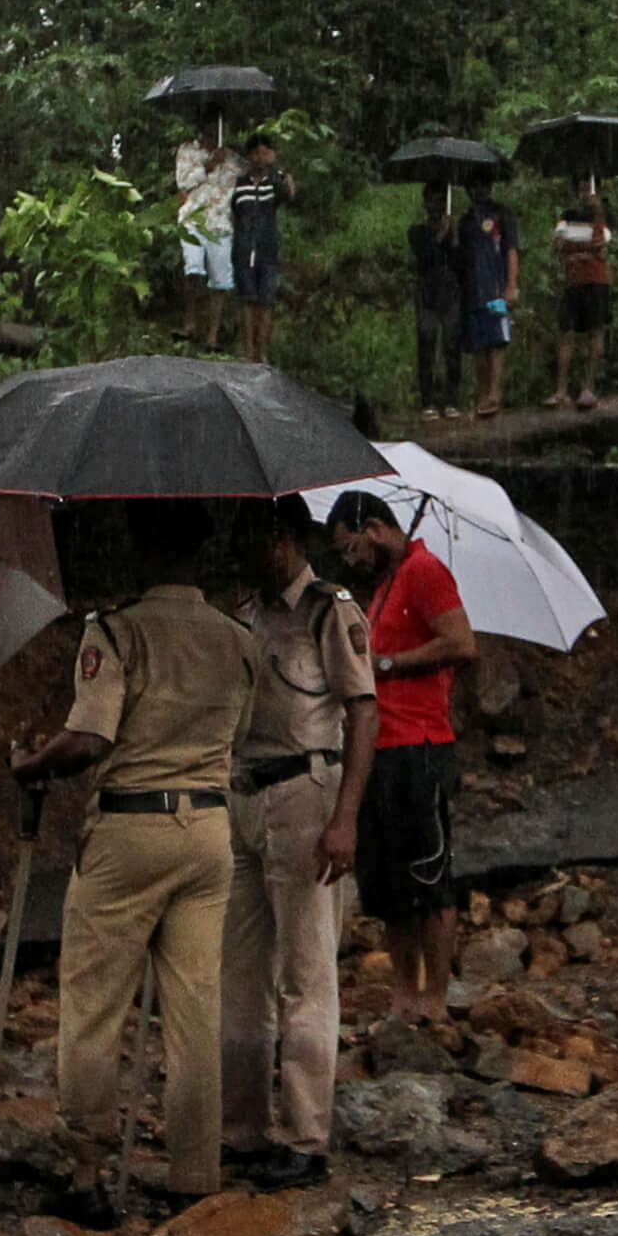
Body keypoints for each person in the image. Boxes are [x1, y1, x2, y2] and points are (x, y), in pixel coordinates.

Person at [10, 498, 262, 1225]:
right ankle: (194, 1174)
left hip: (130, 828)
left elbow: (89, 737)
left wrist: (30, 765)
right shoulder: (237, 638)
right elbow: (239, 734)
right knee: (194, 1009)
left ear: (143, 552)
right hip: (208, 831)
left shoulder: (115, 631)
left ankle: (87, 1172)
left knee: (94, 1007)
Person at [221, 498, 376, 1189]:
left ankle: (305, 1131)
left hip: (306, 787)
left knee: (306, 969)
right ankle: (244, 1125)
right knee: (241, 969)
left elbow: (362, 711)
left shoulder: (326, 609)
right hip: (245, 790)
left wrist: (346, 817)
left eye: (253, 536)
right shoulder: (244, 614)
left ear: (281, 539)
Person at [326, 491, 474, 1023]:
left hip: (420, 745)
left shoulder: (425, 571)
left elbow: (460, 642)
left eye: (351, 547)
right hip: (379, 750)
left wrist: (386, 665)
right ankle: (403, 994)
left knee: (429, 876)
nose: (351, 560)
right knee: (388, 884)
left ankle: (434, 997)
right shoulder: (386, 586)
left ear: (374, 528)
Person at [545, 176, 613, 409]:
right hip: (573, 281)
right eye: (581, 188)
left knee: (595, 331)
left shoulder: (604, 214)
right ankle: (561, 390)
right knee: (566, 332)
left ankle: (588, 387)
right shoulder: (568, 215)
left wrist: (598, 214)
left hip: (596, 279)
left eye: (589, 188)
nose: (585, 193)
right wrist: (571, 245)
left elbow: (602, 247)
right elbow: (558, 245)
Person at [227, 137, 296, 366]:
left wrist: (276, 169)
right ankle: (248, 351)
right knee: (248, 300)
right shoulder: (239, 183)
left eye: (265, 153)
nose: (260, 158)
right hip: (244, 247)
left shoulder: (274, 182)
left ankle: (262, 352)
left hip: (267, 248)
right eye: (256, 153)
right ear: (249, 157)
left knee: (266, 301)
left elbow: (288, 195)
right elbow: (233, 211)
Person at [173, 126, 240, 351]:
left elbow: (253, 176)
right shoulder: (187, 151)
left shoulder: (232, 158)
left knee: (221, 281)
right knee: (193, 269)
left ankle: (213, 336)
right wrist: (207, 166)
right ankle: (189, 324)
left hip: (220, 223)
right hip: (193, 219)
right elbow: (182, 184)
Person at [457, 181, 520, 419]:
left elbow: (511, 250)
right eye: (475, 185)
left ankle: (495, 394)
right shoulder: (464, 221)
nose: (479, 190)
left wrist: (512, 285)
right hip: (473, 291)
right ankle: (483, 395)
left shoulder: (501, 214)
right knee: (479, 343)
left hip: (496, 287)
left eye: (483, 184)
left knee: (498, 340)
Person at [406, 184, 464, 421]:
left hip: (450, 293)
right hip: (427, 295)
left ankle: (451, 400)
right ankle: (427, 400)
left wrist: (455, 235)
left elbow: (460, 261)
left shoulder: (453, 230)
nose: (436, 206)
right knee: (427, 346)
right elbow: (425, 256)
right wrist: (441, 234)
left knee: (452, 347)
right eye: (432, 201)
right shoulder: (417, 231)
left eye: (441, 201)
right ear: (425, 203)